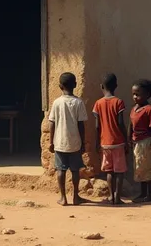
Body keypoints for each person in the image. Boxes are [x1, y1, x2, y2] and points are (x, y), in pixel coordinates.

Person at [48, 72, 88, 206]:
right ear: (75, 85)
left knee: (61, 170)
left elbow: (52, 122)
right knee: (75, 170)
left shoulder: (57, 103)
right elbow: (81, 124)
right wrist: (82, 142)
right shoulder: (78, 102)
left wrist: (51, 141)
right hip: (75, 142)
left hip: (60, 142)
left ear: (60, 86)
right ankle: (76, 196)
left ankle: (63, 197)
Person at [93, 73, 127, 205]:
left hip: (105, 143)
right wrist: (126, 139)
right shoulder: (119, 102)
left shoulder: (98, 103)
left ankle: (111, 196)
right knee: (119, 171)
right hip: (118, 142)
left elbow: (97, 126)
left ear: (101, 86)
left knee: (109, 171)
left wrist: (97, 142)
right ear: (116, 86)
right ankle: (118, 197)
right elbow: (121, 123)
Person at [127, 79, 151, 203]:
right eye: (134, 94)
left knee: (147, 167)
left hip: (145, 141)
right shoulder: (134, 109)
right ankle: (142, 193)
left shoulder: (148, 109)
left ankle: (150, 194)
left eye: (138, 94)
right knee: (139, 168)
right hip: (136, 142)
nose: (135, 97)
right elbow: (130, 125)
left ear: (147, 95)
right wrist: (129, 139)